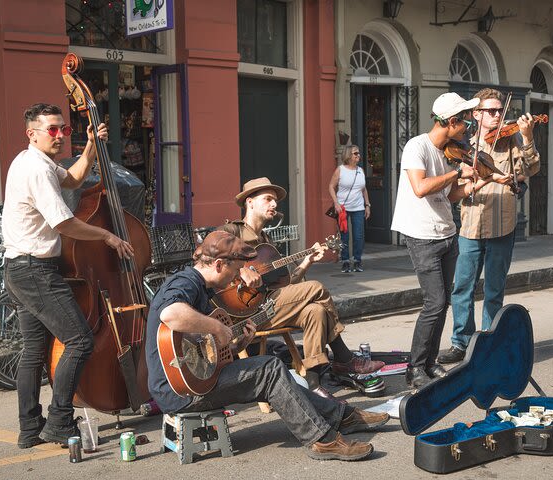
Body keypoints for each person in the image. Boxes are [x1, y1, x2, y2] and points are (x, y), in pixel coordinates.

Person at [145, 230, 389, 461]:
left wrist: (238, 343)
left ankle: (341, 416)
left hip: (195, 379)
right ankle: (322, 440)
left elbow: (205, 355)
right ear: (219, 265)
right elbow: (170, 313)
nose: (237, 276)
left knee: (273, 373)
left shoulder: (204, 291)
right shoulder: (186, 282)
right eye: (236, 269)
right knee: (269, 369)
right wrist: (217, 327)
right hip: (180, 391)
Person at [2, 103, 134, 448]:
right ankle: (60, 420)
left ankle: (30, 428)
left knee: (33, 352)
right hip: (34, 270)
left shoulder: (37, 162)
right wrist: (107, 235)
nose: (60, 135)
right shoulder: (36, 170)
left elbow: (74, 178)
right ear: (32, 133)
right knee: (80, 340)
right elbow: (64, 223)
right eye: (52, 130)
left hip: (19, 268)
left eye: (64, 129)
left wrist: (90, 145)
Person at [217, 177, 385, 399]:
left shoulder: (267, 242)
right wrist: (240, 271)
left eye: (275, 201)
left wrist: (307, 262)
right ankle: (344, 359)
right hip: (244, 314)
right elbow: (204, 258)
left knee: (315, 311)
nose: (274, 205)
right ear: (249, 202)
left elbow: (286, 287)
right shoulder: (231, 231)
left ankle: (313, 385)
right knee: (316, 287)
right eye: (268, 199)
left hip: (271, 306)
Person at [391, 92, 497, 389]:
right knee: (434, 302)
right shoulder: (417, 147)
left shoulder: (446, 152)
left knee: (444, 302)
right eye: (464, 121)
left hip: (446, 232)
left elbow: (449, 196)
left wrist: (475, 183)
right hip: (422, 236)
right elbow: (421, 188)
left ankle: (429, 361)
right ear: (451, 122)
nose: (467, 127)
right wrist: (455, 173)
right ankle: (414, 368)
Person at [440, 88, 541, 365]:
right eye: (491, 111)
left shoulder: (513, 142)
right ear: (477, 114)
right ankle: (461, 343)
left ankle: (488, 342)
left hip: (502, 224)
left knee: (495, 289)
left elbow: (531, 168)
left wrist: (528, 136)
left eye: (500, 111)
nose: (498, 115)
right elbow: (456, 188)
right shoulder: (464, 144)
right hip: (470, 226)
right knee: (462, 287)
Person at [328, 145, 371, 273]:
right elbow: (331, 186)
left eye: (358, 153)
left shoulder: (360, 170)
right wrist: (336, 203)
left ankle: (357, 261)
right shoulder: (340, 170)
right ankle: (345, 261)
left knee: (358, 236)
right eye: (355, 153)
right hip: (343, 209)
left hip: (358, 208)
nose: (358, 155)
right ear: (348, 155)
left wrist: (367, 205)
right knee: (344, 236)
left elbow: (363, 189)